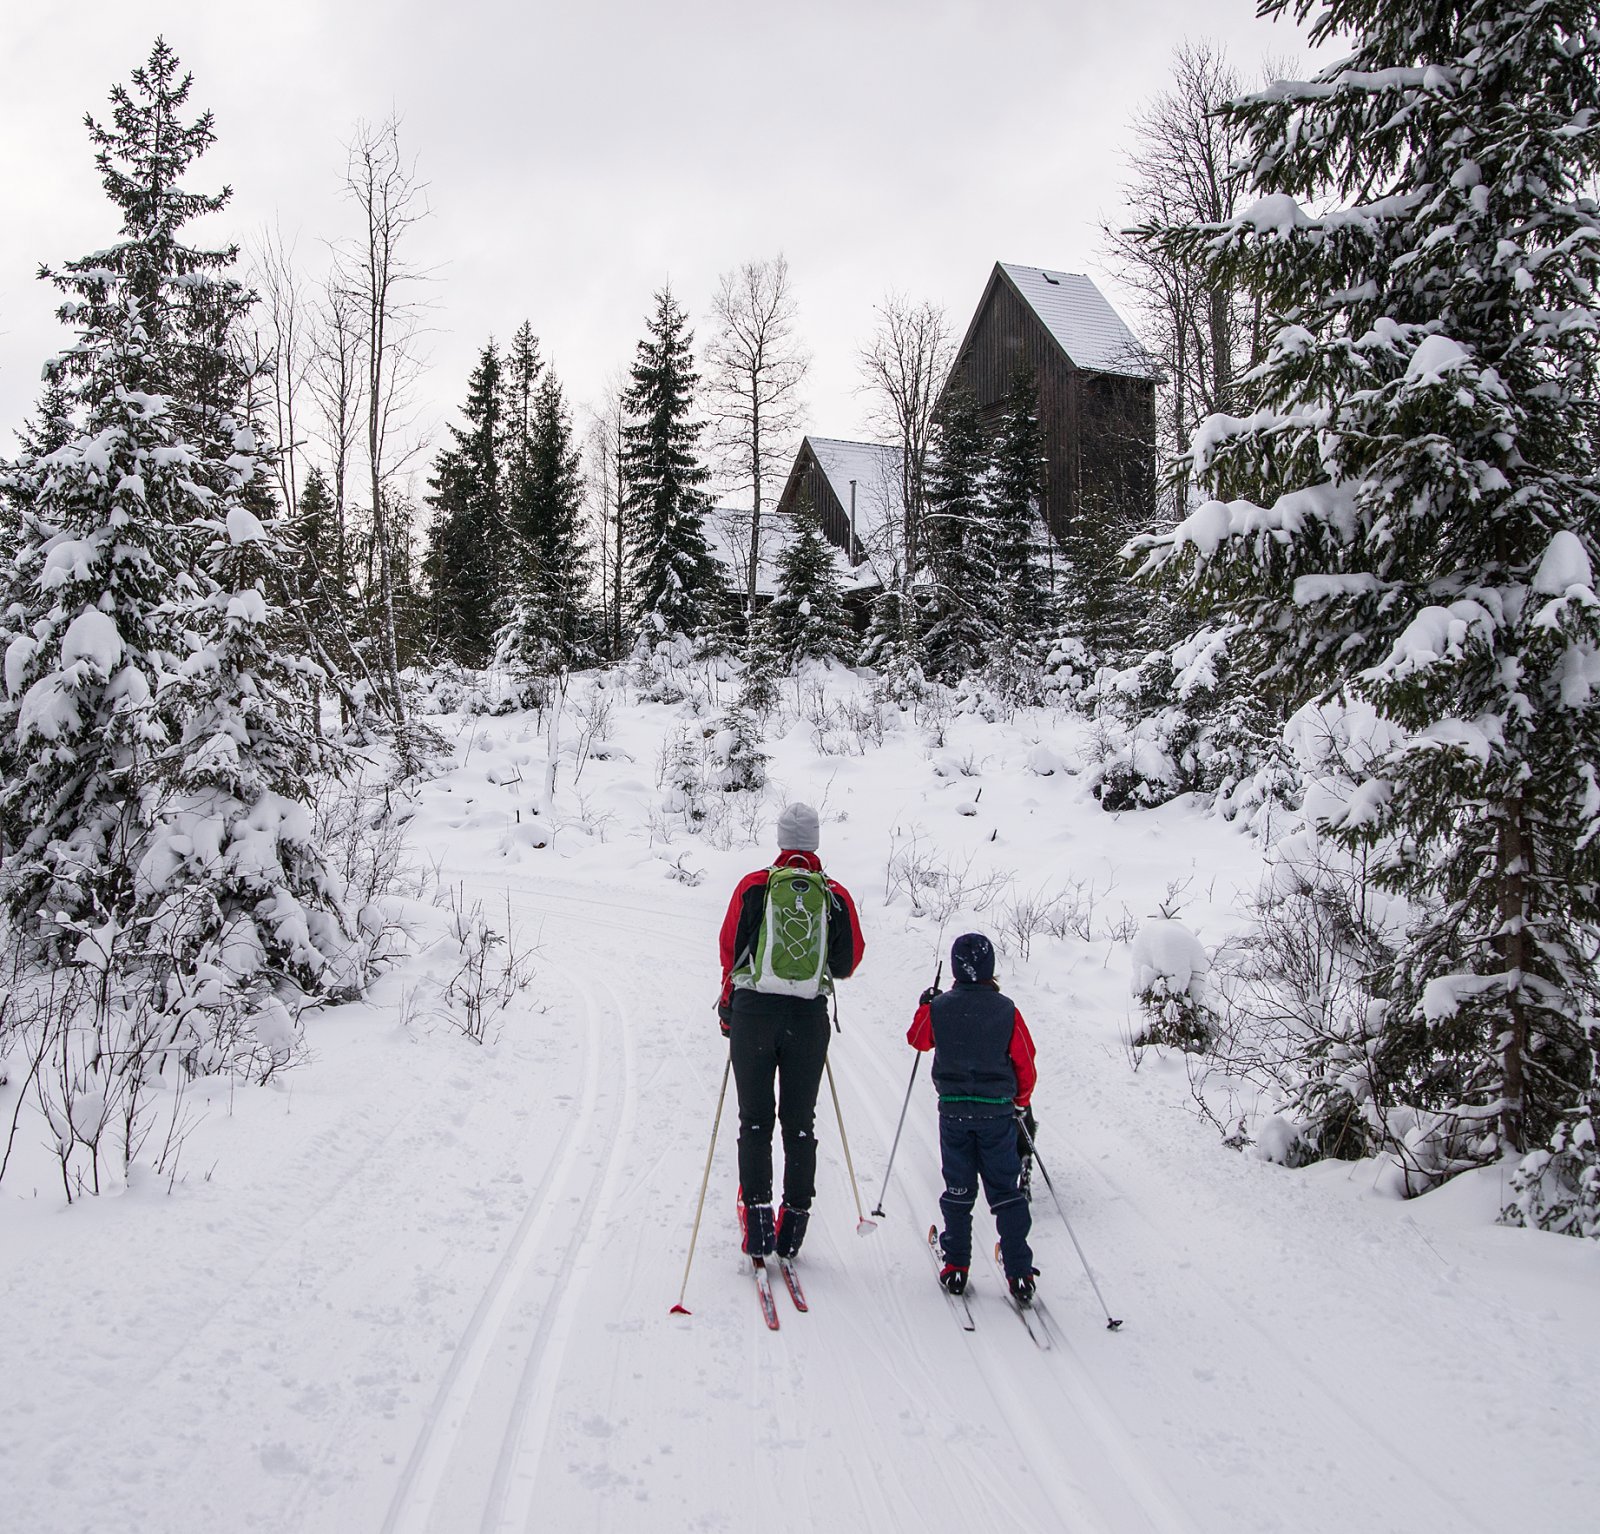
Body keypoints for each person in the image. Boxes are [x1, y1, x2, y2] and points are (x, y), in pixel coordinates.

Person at [717, 802, 865, 1260]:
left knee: (755, 1119)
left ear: (780, 840)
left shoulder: (755, 886)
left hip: (754, 1013)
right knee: (800, 1121)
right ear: (816, 841)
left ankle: (758, 1221)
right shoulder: (833, 894)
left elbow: (730, 951)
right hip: (806, 1017)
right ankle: (794, 1224)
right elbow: (847, 963)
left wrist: (729, 1007)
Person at [907, 932, 1040, 1304]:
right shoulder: (1006, 1009)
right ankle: (1019, 1271)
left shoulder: (940, 1008)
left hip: (954, 1113)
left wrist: (926, 1005)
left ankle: (957, 1265)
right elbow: (1025, 1062)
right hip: (997, 1114)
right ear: (991, 968)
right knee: (1006, 1193)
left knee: (959, 1189)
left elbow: (917, 1039)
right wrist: (1020, 1101)